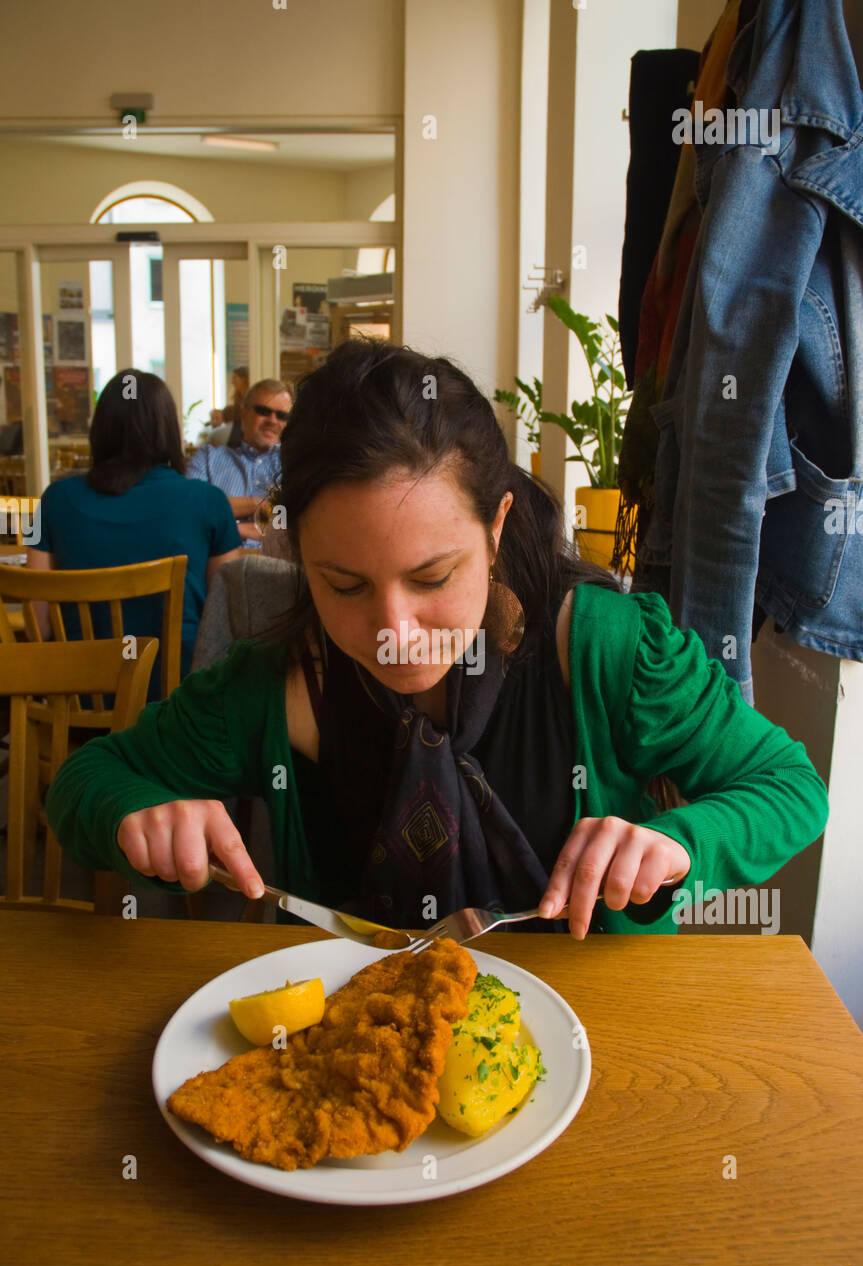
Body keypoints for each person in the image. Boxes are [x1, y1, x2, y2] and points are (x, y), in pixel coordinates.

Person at [45, 340, 829, 938]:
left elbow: (789, 788)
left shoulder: (607, 649)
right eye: (343, 585)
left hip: (596, 1050)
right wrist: (134, 816)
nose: (392, 635)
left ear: (493, 532)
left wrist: (682, 842)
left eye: (431, 578)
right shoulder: (267, 690)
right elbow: (84, 783)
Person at [28, 370, 244, 700]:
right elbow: (226, 626)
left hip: (76, 709)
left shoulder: (54, 500)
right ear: (168, 428)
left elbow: (37, 626)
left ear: (100, 427)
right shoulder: (209, 502)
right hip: (177, 712)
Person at [186, 378, 292, 547]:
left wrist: (232, 529)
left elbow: (294, 528)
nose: (273, 420)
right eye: (263, 411)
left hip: (279, 568)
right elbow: (190, 509)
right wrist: (258, 504)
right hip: (218, 568)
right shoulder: (208, 458)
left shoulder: (294, 464)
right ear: (243, 414)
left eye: (282, 416)